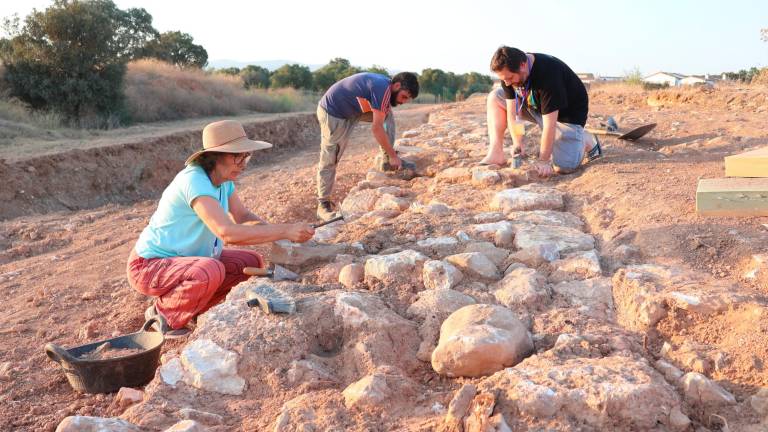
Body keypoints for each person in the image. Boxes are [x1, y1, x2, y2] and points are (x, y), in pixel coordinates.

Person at [127, 120, 315, 337]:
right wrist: (285, 230)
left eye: (246, 156)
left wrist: (282, 235)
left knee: (250, 263)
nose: (244, 163)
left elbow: (243, 216)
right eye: (238, 156)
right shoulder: (194, 180)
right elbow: (227, 233)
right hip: (149, 266)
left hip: (189, 261)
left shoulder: (224, 181)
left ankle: (194, 310)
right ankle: (163, 314)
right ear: (215, 156)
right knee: (209, 271)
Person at [315, 71, 420, 220]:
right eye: (404, 96)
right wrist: (393, 155)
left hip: (351, 110)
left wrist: (390, 156)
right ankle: (323, 205)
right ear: (397, 86)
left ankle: (386, 162)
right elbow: (377, 128)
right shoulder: (382, 88)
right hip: (333, 113)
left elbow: (380, 120)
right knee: (331, 157)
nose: (403, 102)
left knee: (386, 114)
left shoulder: (385, 87)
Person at [482, 46, 602, 176]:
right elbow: (513, 113)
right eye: (504, 79)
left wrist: (543, 160)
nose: (507, 83)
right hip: (538, 108)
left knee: (564, 168)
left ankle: (585, 138)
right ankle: (496, 153)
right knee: (495, 97)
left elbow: (549, 125)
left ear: (522, 65)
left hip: (567, 118)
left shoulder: (549, 74)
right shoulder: (508, 73)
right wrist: (518, 142)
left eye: (510, 78)